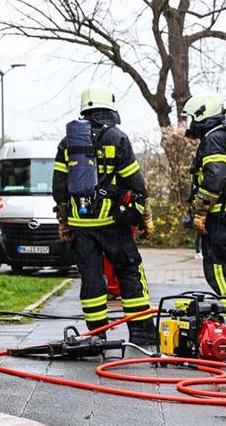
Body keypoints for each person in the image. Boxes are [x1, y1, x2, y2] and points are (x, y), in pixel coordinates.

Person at [52, 87, 156, 345]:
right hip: (113, 223)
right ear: (109, 110)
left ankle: (96, 336)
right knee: (130, 272)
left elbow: (59, 188)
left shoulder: (68, 143)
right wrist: (145, 216)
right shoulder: (117, 138)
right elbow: (135, 181)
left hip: (81, 225)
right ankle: (142, 334)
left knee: (91, 279)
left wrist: (64, 222)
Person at [182, 92, 226, 336]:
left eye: (193, 117)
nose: (191, 123)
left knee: (221, 271)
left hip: (220, 215)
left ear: (204, 115)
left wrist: (201, 212)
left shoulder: (214, 139)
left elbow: (215, 176)